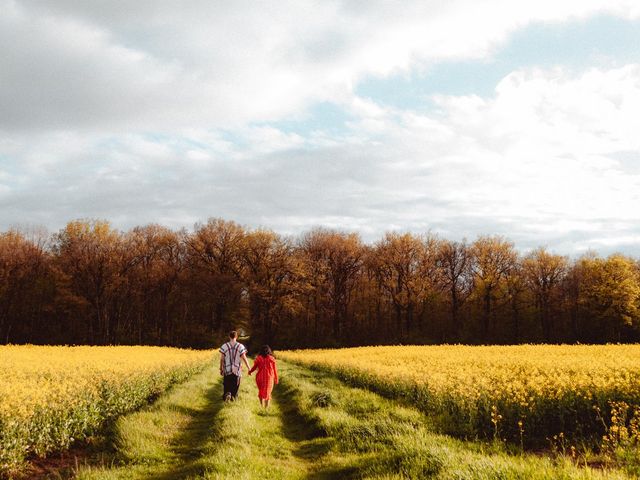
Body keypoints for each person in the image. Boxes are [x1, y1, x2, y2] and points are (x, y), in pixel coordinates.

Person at [219, 330, 251, 402]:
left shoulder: (224, 346)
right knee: (235, 386)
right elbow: (244, 358)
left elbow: (222, 359)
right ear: (236, 337)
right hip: (237, 370)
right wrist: (249, 368)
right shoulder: (240, 346)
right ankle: (233, 398)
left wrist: (221, 368)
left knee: (227, 385)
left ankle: (228, 394)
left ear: (229, 336)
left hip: (227, 369)